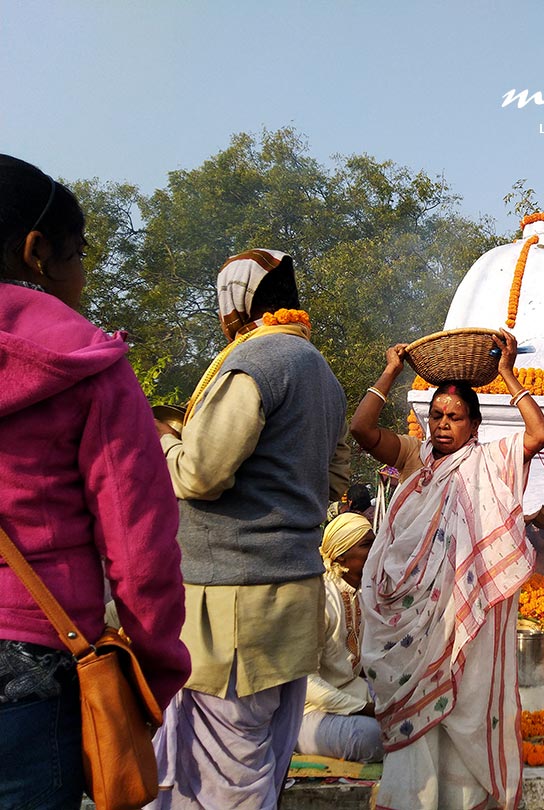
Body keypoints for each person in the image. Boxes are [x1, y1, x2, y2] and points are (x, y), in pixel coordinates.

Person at [0, 155, 189, 808]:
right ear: (37, 253)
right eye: (79, 254)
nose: (83, 274)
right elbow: (140, 548)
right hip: (32, 674)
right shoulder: (88, 368)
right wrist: (154, 671)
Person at [151, 249, 350, 809]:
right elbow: (335, 478)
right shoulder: (323, 374)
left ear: (234, 303)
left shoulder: (255, 364)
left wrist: (161, 438)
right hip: (289, 601)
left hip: (234, 606)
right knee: (257, 758)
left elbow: (199, 474)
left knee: (221, 773)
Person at [351, 331, 544, 810]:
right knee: (414, 712)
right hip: (409, 619)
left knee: (461, 706)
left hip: (465, 620)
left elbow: (539, 434)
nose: (443, 425)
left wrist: (506, 374)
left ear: (474, 425)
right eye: (437, 416)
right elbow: (360, 429)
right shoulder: (413, 457)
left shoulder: (491, 460)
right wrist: (390, 371)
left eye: (455, 418)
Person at [296, 512, 383, 763]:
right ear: (341, 554)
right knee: (374, 738)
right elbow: (306, 683)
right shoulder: (319, 598)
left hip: (354, 695)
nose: (377, 550)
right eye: (368, 545)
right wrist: (367, 710)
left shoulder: (363, 593)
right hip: (309, 713)